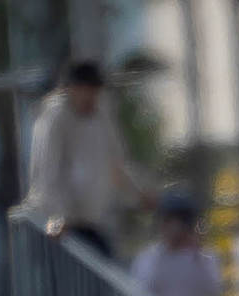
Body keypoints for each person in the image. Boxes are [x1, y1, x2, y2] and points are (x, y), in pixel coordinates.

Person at [17, 59, 149, 251]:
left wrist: (139, 196)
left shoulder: (101, 116)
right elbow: (47, 176)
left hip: (90, 224)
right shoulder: (54, 117)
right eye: (86, 90)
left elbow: (117, 165)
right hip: (54, 223)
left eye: (95, 90)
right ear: (71, 89)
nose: (91, 97)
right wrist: (59, 218)